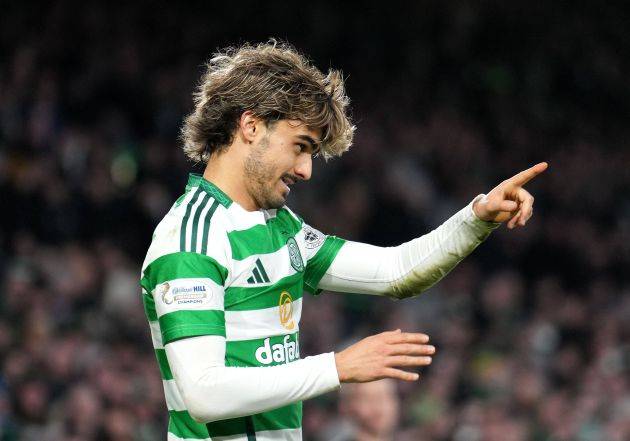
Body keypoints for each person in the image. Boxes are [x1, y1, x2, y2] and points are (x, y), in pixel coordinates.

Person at [139, 40, 547, 441]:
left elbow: (395, 271)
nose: (305, 170)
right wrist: (338, 367)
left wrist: (477, 217)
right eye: (300, 147)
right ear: (251, 126)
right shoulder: (191, 239)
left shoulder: (281, 228)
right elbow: (204, 393)